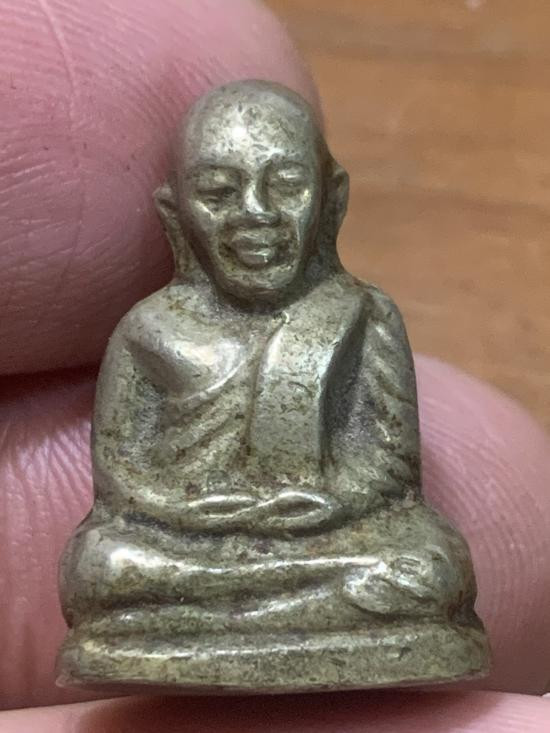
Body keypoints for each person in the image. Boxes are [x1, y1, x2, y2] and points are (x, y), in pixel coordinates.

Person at [1, 0, 550, 729]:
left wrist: (330, 504)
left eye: (286, 185)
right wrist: (189, 510)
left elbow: (392, 467)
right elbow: (123, 478)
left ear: (331, 202)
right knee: (103, 566)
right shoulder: (150, 328)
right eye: (218, 192)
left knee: (429, 563)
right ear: (175, 214)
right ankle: (280, 614)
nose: (254, 213)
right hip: (185, 541)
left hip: (328, 533)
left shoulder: (361, 314)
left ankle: (230, 621)